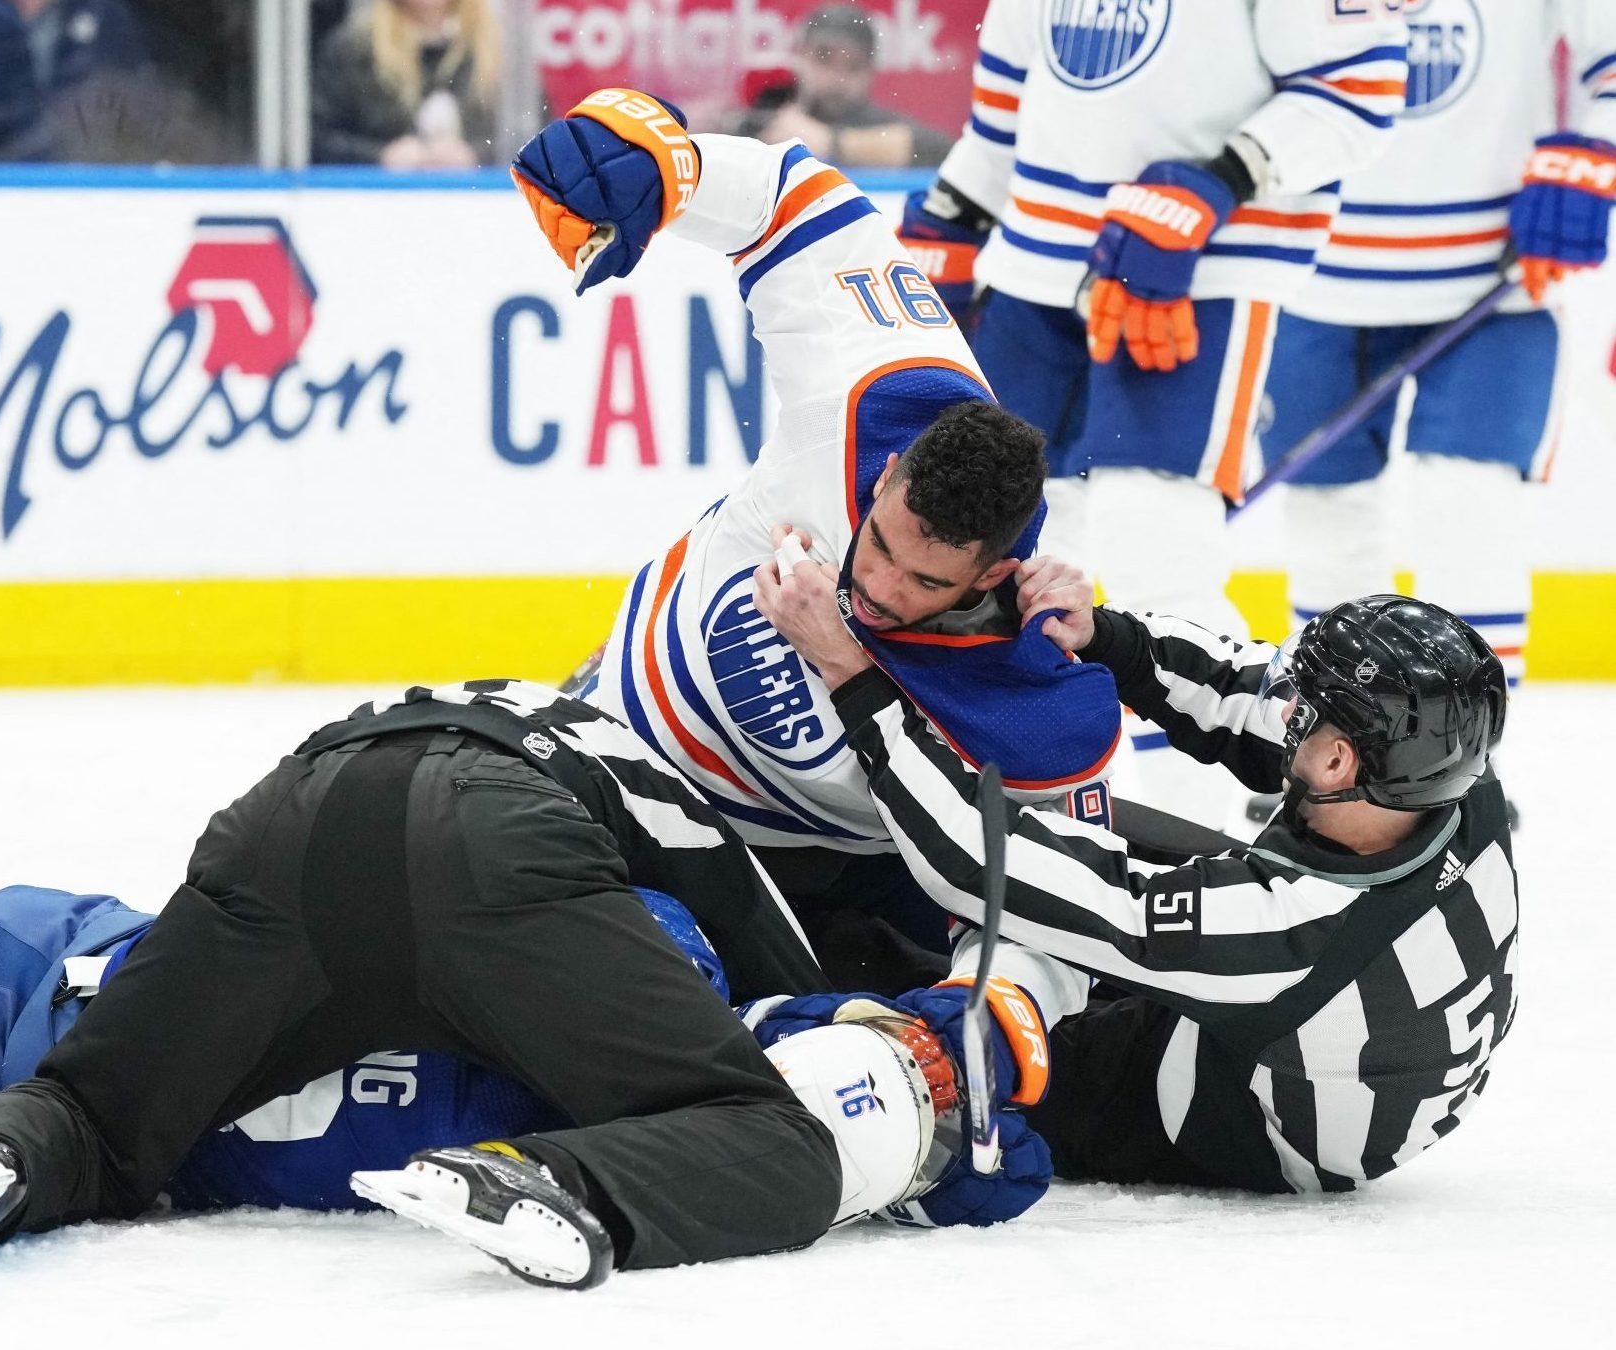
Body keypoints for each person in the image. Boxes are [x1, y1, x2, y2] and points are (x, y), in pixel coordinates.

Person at [0, 680, 1052, 1285]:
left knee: (96, 1114)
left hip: (281, 825)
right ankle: (543, 1180)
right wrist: (838, 1014)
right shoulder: (643, 774)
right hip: (488, 852)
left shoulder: (505, 705)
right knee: (770, 1138)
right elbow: (762, 963)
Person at [510, 88, 1123, 999]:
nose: (876, 586)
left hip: (799, 863)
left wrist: (1002, 1001)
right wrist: (671, 166)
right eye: (877, 543)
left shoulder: (1026, 680)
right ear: (883, 482)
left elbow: (1064, 898)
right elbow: (792, 198)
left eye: (923, 582)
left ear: (991, 575)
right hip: (610, 732)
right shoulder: (874, 386)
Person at [755, 546, 1516, 1193]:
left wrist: (850, 671)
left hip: (1238, 1110)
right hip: (1348, 1033)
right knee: (1085, 837)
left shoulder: (1288, 930)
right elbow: (1243, 690)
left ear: (1342, 757)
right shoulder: (1450, 780)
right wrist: (1105, 636)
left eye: (1306, 711)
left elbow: (985, 864)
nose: (1286, 709)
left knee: (926, 987)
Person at [895, 0, 1409, 828]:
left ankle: (1207, 818)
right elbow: (1008, 110)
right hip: (1035, 273)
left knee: (1157, 543)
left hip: (1204, 275)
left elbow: (1359, 87)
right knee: (1004, 544)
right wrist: (951, 216)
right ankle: (1041, 797)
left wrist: (1222, 179)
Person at [1259, 4, 1616, 736]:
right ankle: (1338, 741)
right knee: (1327, 518)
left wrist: (1596, 146)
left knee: (1471, 507)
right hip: (1313, 271)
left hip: (1495, 278)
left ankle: (1469, 755)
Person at [731, 4, 952, 169]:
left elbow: (944, 151)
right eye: (824, 59)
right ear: (799, 56)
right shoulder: (769, 116)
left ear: (871, 71)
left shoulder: (881, 124)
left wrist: (832, 143)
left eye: (853, 65)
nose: (837, 76)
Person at [312, 0, 501, 169]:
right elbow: (318, 137)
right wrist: (380, 156)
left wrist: (476, 155)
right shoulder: (353, 49)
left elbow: (522, 134)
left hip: (481, 198)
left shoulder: (501, 50)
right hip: (377, 197)